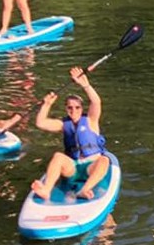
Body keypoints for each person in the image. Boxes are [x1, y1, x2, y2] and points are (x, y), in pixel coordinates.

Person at [31, 67, 109, 201]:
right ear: (66, 109)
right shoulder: (63, 124)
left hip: (91, 166)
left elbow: (96, 102)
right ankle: (46, 190)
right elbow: (40, 123)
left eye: (77, 107)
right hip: (73, 167)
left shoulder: (91, 120)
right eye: (70, 107)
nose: (74, 110)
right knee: (58, 156)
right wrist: (46, 105)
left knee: (104, 160)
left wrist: (86, 85)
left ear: (82, 108)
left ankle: (84, 190)